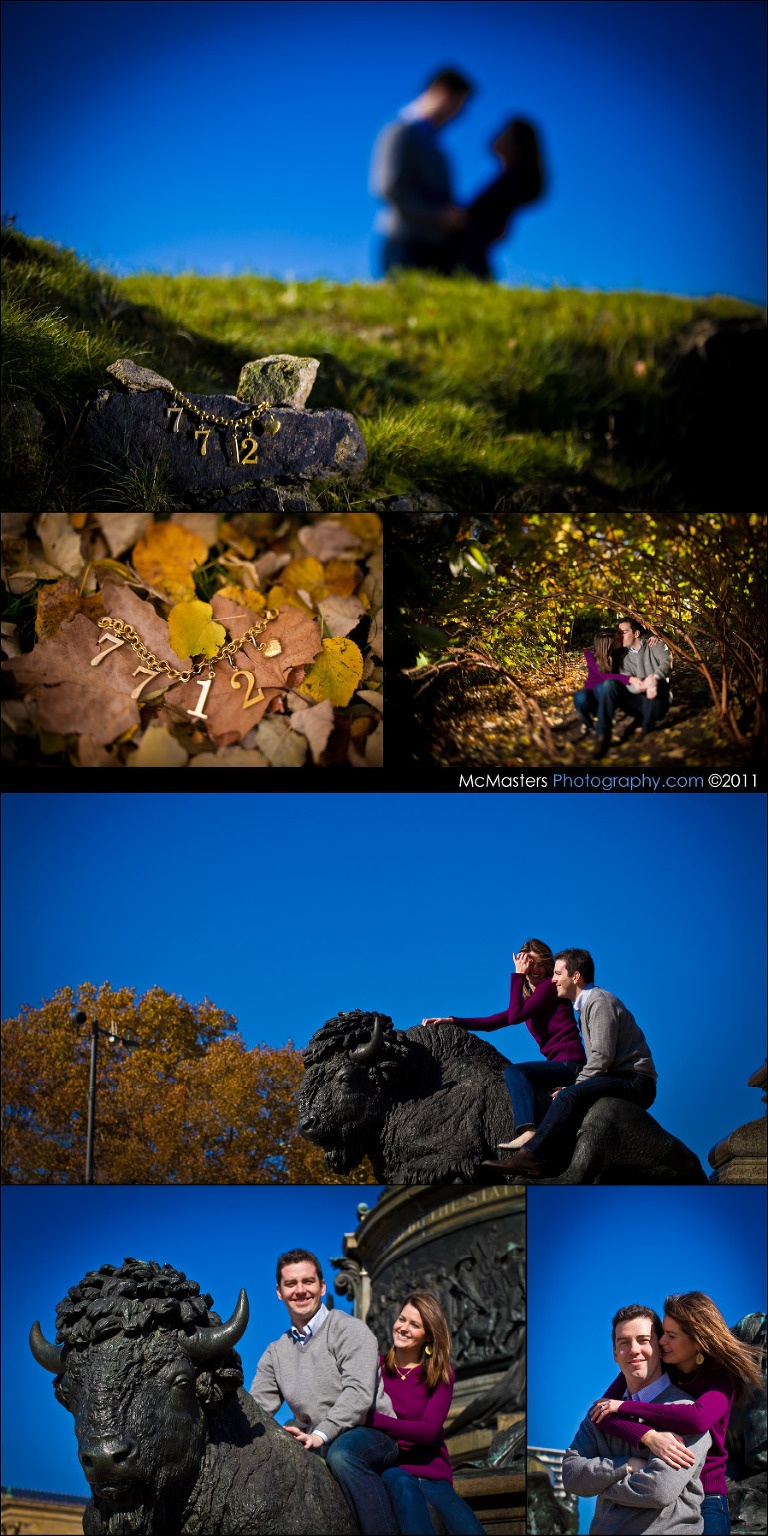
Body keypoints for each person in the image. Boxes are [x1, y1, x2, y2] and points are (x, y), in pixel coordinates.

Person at [249, 1248, 399, 1535]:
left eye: (308, 1281)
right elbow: (257, 1409)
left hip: (373, 1436)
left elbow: (358, 1395)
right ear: (279, 1292)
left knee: (342, 1456)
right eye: (291, 1284)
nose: (300, 1290)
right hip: (319, 1440)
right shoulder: (274, 1353)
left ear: (322, 1286)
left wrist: (319, 1434)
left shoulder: (350, 1330)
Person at [589, 1292, 765, 1535]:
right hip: (662, 1492)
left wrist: (627, 1406)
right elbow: (602, 1411)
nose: (661, 1343)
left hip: (707, 1498)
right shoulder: (661, 1365)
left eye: (671, 1336)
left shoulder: (720, 1375)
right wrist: (649, 1437)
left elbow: (697, 1418)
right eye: (663, 1334)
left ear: (697, 1342)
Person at [485, 949, 657, 1177]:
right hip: (616, 1077)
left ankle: (531, 1157)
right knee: (567, 1094)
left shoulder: (599, 1001)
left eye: (558, 973)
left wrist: (577, 1085)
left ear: (575, 977)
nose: (553, 979)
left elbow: (602, 1057)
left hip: (635, 1081)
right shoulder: (585, 1006)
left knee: (568, 1096)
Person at [421, 938, 586, 1154]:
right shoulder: (531, 1000)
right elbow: (493, 1022)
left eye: (539, 963)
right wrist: (451, 1021)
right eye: (529, 964)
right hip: (557, 1064)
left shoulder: (548, 987)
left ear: (548, 965)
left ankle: (528, 1130)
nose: (535, 969)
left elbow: (515, 1016)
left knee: (515, 1072)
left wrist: (518, 975)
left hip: (568, 1064)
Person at [562, 1304, 711, 1533]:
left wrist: (602, 1487)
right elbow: (571, 1474)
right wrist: (627, 1466)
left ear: (660, 1347)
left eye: (643, 1340)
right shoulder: (602, 1412)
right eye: (624, 1343)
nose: (633, 1350)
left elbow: (658, 1490)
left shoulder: (685, 1411)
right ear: (614, 1353)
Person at [372, 1291, 486, 1534]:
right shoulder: (375, 1368)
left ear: (428, 1336)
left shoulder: (441, 1372)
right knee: (401, 1485)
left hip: (434, 1477)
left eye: (414, 1325)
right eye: (402, 1319)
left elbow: (427, 1431)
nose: (403, 1328)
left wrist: (372, 1420)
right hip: (393, 1470)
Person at [370, 67, 473, 275]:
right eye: (457, 106)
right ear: (443, 93)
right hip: (405, 244)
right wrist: (439, 216)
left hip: (436, 248)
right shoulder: (400, 131)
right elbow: (387, 189)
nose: (457, 115)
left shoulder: (438, 148)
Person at [451, 117, 544, 279]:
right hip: (471, 257)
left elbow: (486, 221)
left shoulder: (513, 181)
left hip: (468, 259)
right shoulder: (511, 179)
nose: (496, 135)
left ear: (516, 143)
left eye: (503, 132)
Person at [594, 617, 672, 757]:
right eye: (619, 633)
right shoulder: (621, 656)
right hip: (636, 700)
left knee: (660, 684)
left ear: (636, 634)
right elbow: (629, 685)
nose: (619, 636)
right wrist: (644, 684)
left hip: (657, 699)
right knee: (609, 684)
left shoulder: (654, 643)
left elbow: (667, 662)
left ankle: (646, 732)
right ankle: (602, 736)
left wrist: (654, 679)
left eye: (624, 632)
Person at [574, 628, 633, 735]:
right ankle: (588, 723)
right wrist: (629, 679)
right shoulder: (590, 654)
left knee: (602, 688)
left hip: (606, 690)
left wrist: (653, 637)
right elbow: (604, 676)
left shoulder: (619, 651)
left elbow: (638, 638)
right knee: (580, 697)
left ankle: (603, 718)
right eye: (618, 638)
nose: (621, 639)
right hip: (591, 692)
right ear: (609, 643)